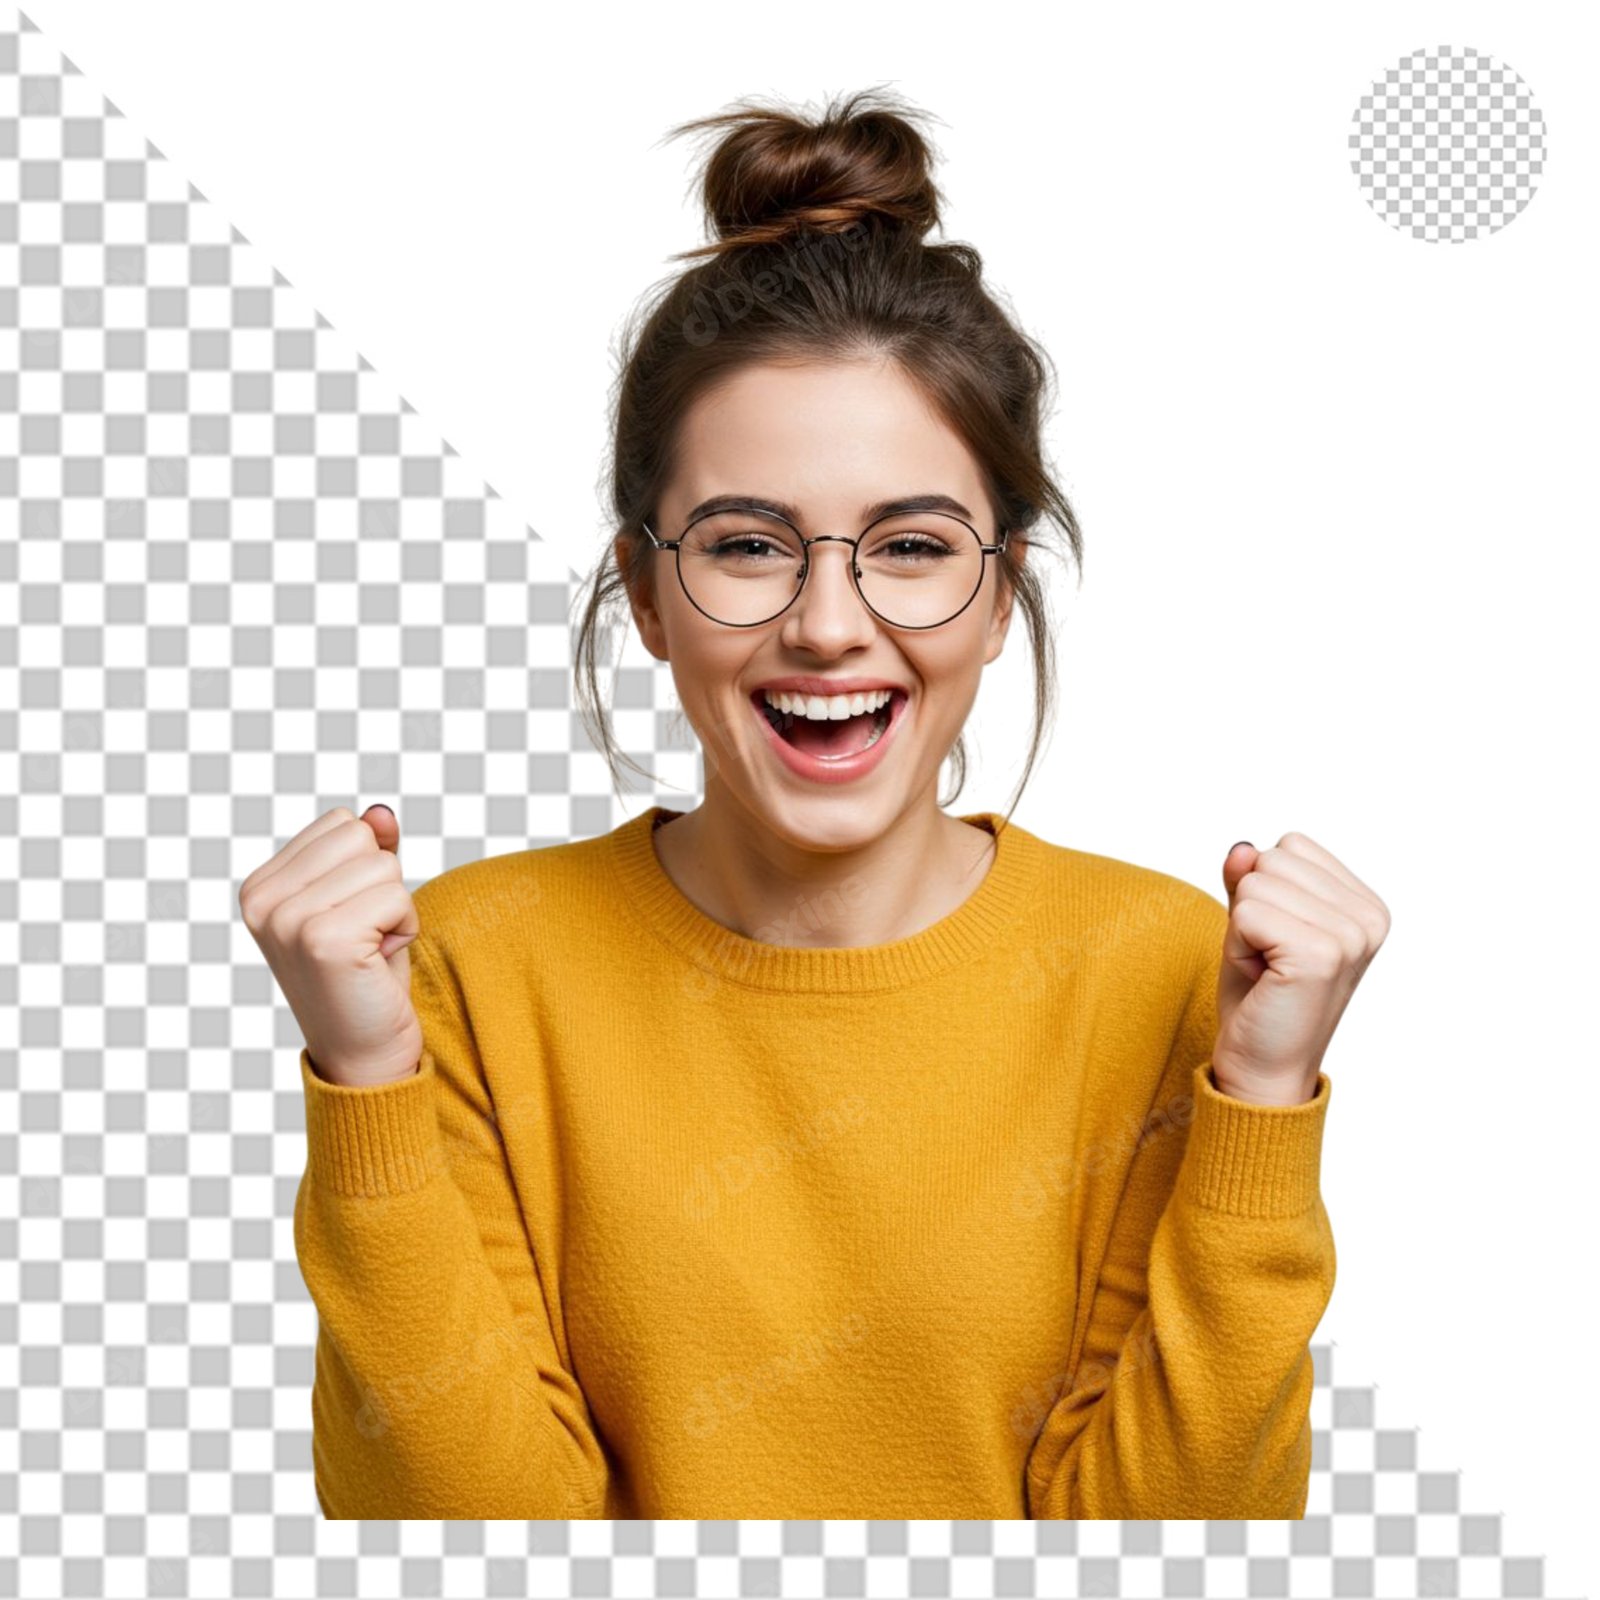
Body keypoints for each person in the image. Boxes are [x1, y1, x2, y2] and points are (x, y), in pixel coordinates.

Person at [243, 86, 1390, 1520]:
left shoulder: (1169, 969)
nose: (830, 625)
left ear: (999, 597)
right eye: (745, 546)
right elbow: (476, 1543)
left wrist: (1265, 1098)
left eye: (911, 546)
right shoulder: (467, 966)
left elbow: (1173, 1546)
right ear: (651, 594)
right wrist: (368, 1083)